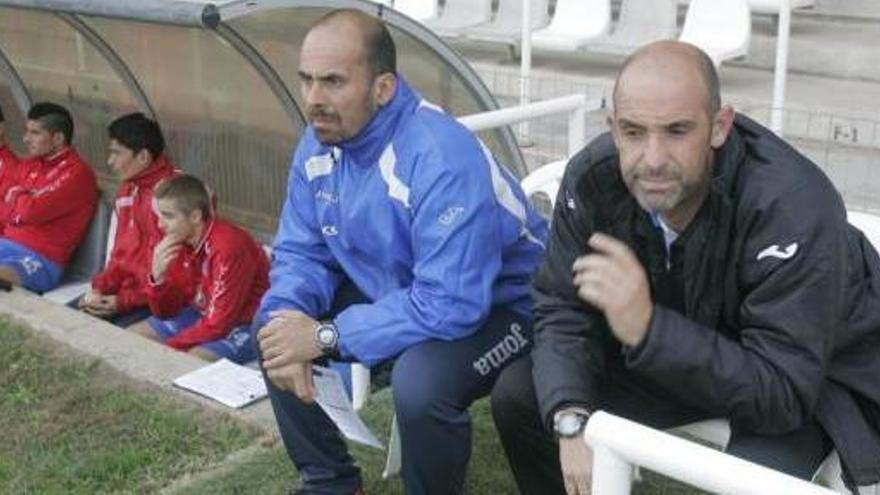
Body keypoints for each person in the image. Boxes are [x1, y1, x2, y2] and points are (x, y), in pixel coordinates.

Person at [490, 40, 880, 495]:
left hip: (803, 379)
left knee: (752, 480)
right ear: (613, 128)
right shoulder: (593, 179)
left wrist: (649, 330)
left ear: (719, 127)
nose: (653, 159)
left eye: (677, 131)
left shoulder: (792, 205)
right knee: (522, 395)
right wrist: (573, 418)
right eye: (634, 132)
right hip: (680, 349)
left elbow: (782, 395)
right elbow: (561, 306)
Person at [254, 9, 547, 494]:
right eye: (306, 80)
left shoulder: (439, 155)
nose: (313, 99)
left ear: (383, 88)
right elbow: (302, 252)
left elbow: (452, 304)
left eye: (332, 82)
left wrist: (326, 336)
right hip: (410, 290)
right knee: (274, 329)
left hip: (510, 305)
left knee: (420, 386)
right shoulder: (318, 144)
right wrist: (289, 319)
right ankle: (330, 483)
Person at [128, 174, 269, 363]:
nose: (160, 225)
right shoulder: (178, 241)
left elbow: (218, 324)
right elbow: (166, 312)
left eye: (168, 216)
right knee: (133, 337)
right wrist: (157, 279)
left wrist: (168, 348)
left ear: (195, 216)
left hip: (248, 324)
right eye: (159, 216)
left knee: (193, 360)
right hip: (203, 314)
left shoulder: (228, 247)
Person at [76, 112, 179, 326]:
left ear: (143, 157)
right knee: (65, 323)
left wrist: (124, 301)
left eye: (116, 154)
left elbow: (176, 274)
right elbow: (118, 256)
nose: (109, 161)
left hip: (157, 302)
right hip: (125, 296)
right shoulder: (127, 191)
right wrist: (100, 288)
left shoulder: (176, 195)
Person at [0, 102, 98, 293]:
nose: (26, 139)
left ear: (58, 138)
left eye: (35, 133)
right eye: (27, 132)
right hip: (5, 243)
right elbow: (4, 209)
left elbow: (30, 213)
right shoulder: (29, 164)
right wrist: (23, 198)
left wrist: (16, 196)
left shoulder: (78, 174)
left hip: (40, 259)